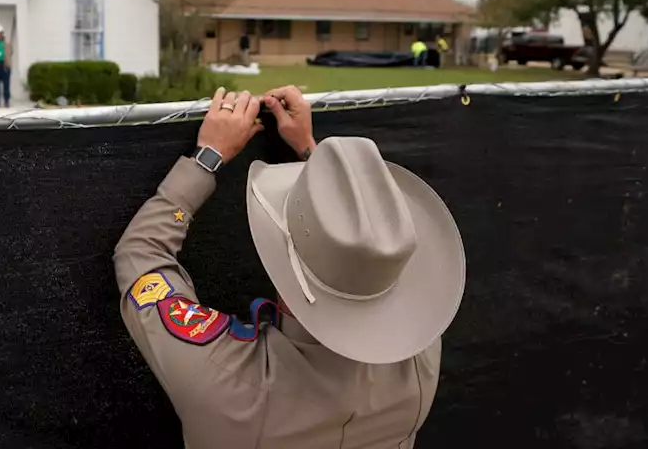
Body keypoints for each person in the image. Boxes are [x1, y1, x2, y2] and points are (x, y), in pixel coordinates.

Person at [114, 85, 465, 448]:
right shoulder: (422, 356)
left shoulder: (226, 382)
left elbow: (140, 253)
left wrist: (209, 156)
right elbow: (362, 261)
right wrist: (320, 165)